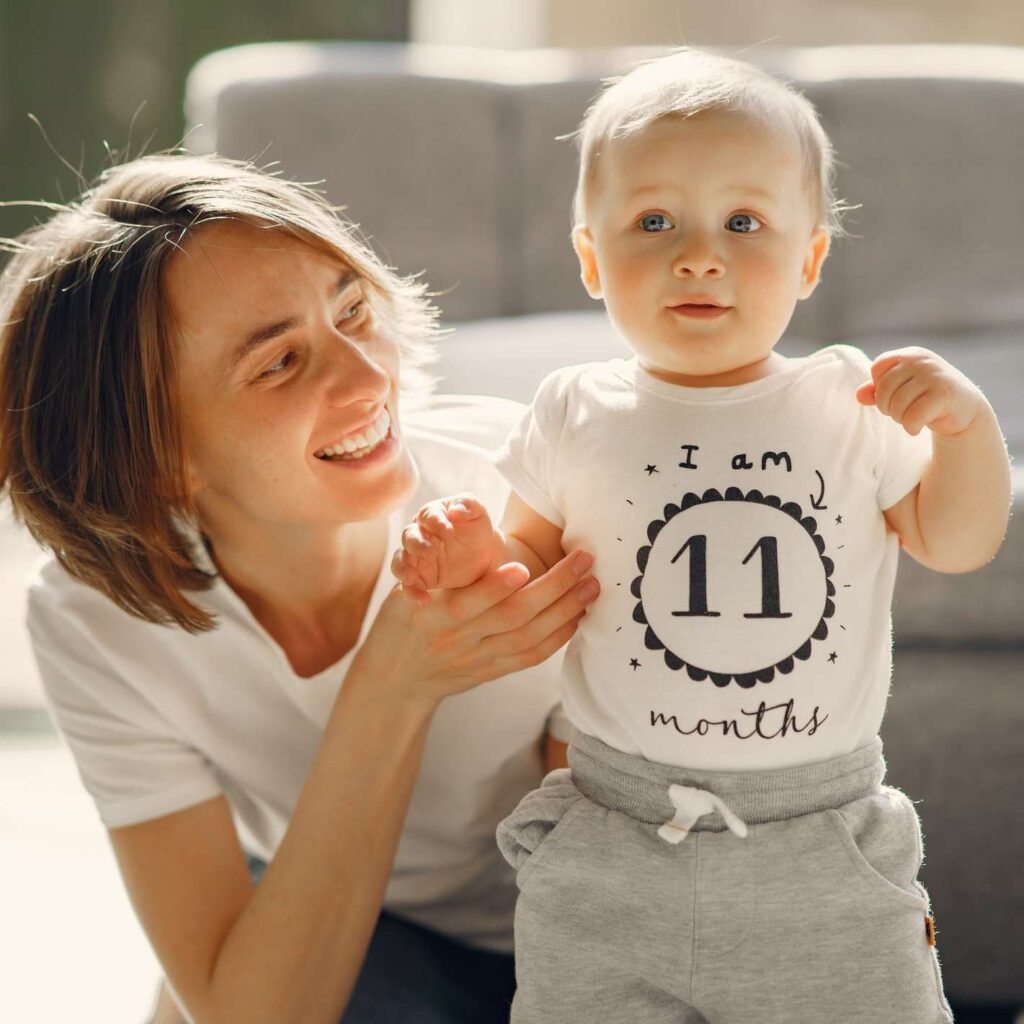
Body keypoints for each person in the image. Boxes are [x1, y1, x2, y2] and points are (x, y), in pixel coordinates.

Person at [392, 49, 1013, 1023]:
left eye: (743, 222)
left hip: (818, 841)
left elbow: (958, 539)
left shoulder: (844, 401)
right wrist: (472, 563)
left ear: (809, 259)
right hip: (615, 835)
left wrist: (967, 430)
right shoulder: (573, 408)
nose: (697, 254)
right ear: (590, 258)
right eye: (652, 223)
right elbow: (531, 579)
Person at [0, 153, 602, 1024]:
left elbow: (618, 890)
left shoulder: (541, 494)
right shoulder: (95, 618)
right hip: (365, 924)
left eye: (353, 309)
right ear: (157, 460)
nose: (367, 379)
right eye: (280, 363)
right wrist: (395, 681)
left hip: (578, 933)